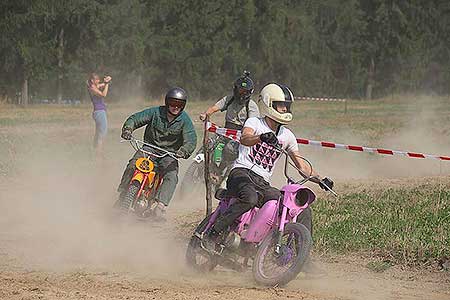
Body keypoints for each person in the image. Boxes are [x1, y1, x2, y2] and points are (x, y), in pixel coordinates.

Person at [205, 82, 333, 241]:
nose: (285, 110)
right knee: (250, 198)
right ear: (269, 103)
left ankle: (300, 257)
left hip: (263, 182)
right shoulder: (255, 123)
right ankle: (214, 231)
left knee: (295, 207)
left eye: (287, 106)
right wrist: (261, 137)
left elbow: (302, 166)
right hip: (241, 173)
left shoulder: (287, 136)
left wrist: (320, 179)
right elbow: (244, 138)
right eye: (281, 106)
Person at [118, 87, 197, 220]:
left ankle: (160, 206)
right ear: (167, 102)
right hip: (148, 149)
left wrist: (184, 151)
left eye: (179, 104)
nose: (175, 107)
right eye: (173, 103)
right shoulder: (155, 112)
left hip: (170, 154)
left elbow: (191, 139)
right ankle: (123, 194)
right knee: (133, 164)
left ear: (183, 105)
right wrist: (128, 129)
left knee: (171, 175)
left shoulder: (185, 120)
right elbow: (136, 118)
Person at [199, 71, 259, 181]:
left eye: (244, 91)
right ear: (235, 89)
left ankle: (220, 173)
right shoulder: (229, 99)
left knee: (229, 149)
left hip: (240, 136)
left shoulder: (251, 106)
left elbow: (254, 124)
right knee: (211, 144)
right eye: (240, 90)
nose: (241, 94)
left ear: (250, 92)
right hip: (226, 131)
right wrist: (205, 114)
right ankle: (206, 166)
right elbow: (215, 107)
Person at [87, 73, 112, 159]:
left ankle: (96, 153)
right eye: (96, 79)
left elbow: (102, 84)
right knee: (102, 134)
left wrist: (106, 81)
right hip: (99, 112)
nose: (98, 80)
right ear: (92, 81)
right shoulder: (92, 88)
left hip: (99, 112)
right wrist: (107, 84)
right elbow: (103, 94)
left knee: (98, 134)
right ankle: (99, 155)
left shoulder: (93, 87)